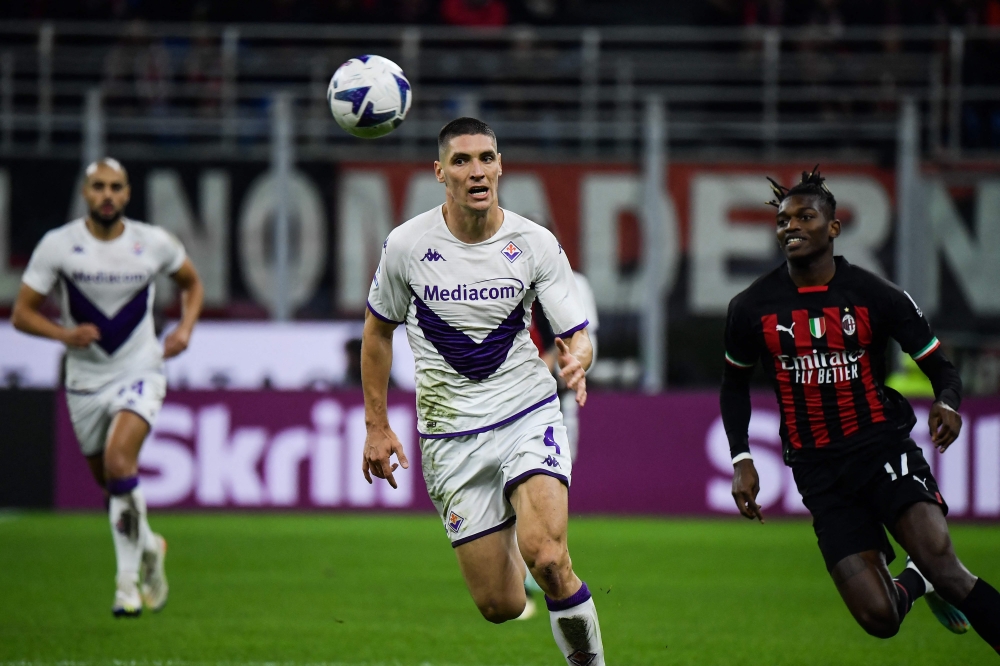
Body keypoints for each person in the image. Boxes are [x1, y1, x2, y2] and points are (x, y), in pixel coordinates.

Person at [720, 167, 1000, 656]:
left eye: (806, 217)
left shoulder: (876, 295)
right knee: (880, 618)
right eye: (784, 220)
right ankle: (917, 582)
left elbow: (942, 368)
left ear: (833, 228)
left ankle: (930, 575)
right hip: (819, 471)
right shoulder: (751, 307)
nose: (791, 227)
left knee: (946, 567)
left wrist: (948, 402)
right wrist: (741, 458)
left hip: (881, 450)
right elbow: (734, 384)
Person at [362, 117, 604, 665]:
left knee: (547, 558)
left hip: (526, 409)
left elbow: (576, 333)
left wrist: (578, 359)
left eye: (487, 158)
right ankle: (513, 515)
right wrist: (376, 426)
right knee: (499, 603)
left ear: (500, 165)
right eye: (463, 160)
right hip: (449, 434)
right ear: (440, 172)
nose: (478, 170)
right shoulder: (407, 245)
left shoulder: (534, 242)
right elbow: (377, 334)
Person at [11, 158, 204, 617]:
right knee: (113, 485)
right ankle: (151, 548)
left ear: (127, 193)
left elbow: (192, 285)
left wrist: (184, 329)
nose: (107, 195)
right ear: (85, 192)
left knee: (121, 462)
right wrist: (63, 335)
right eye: (98, 187)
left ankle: (126, 587)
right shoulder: (58, 247)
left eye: (115, 187)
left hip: (141, 370)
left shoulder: (152, 242)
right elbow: (22, 313)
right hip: (83, 381)